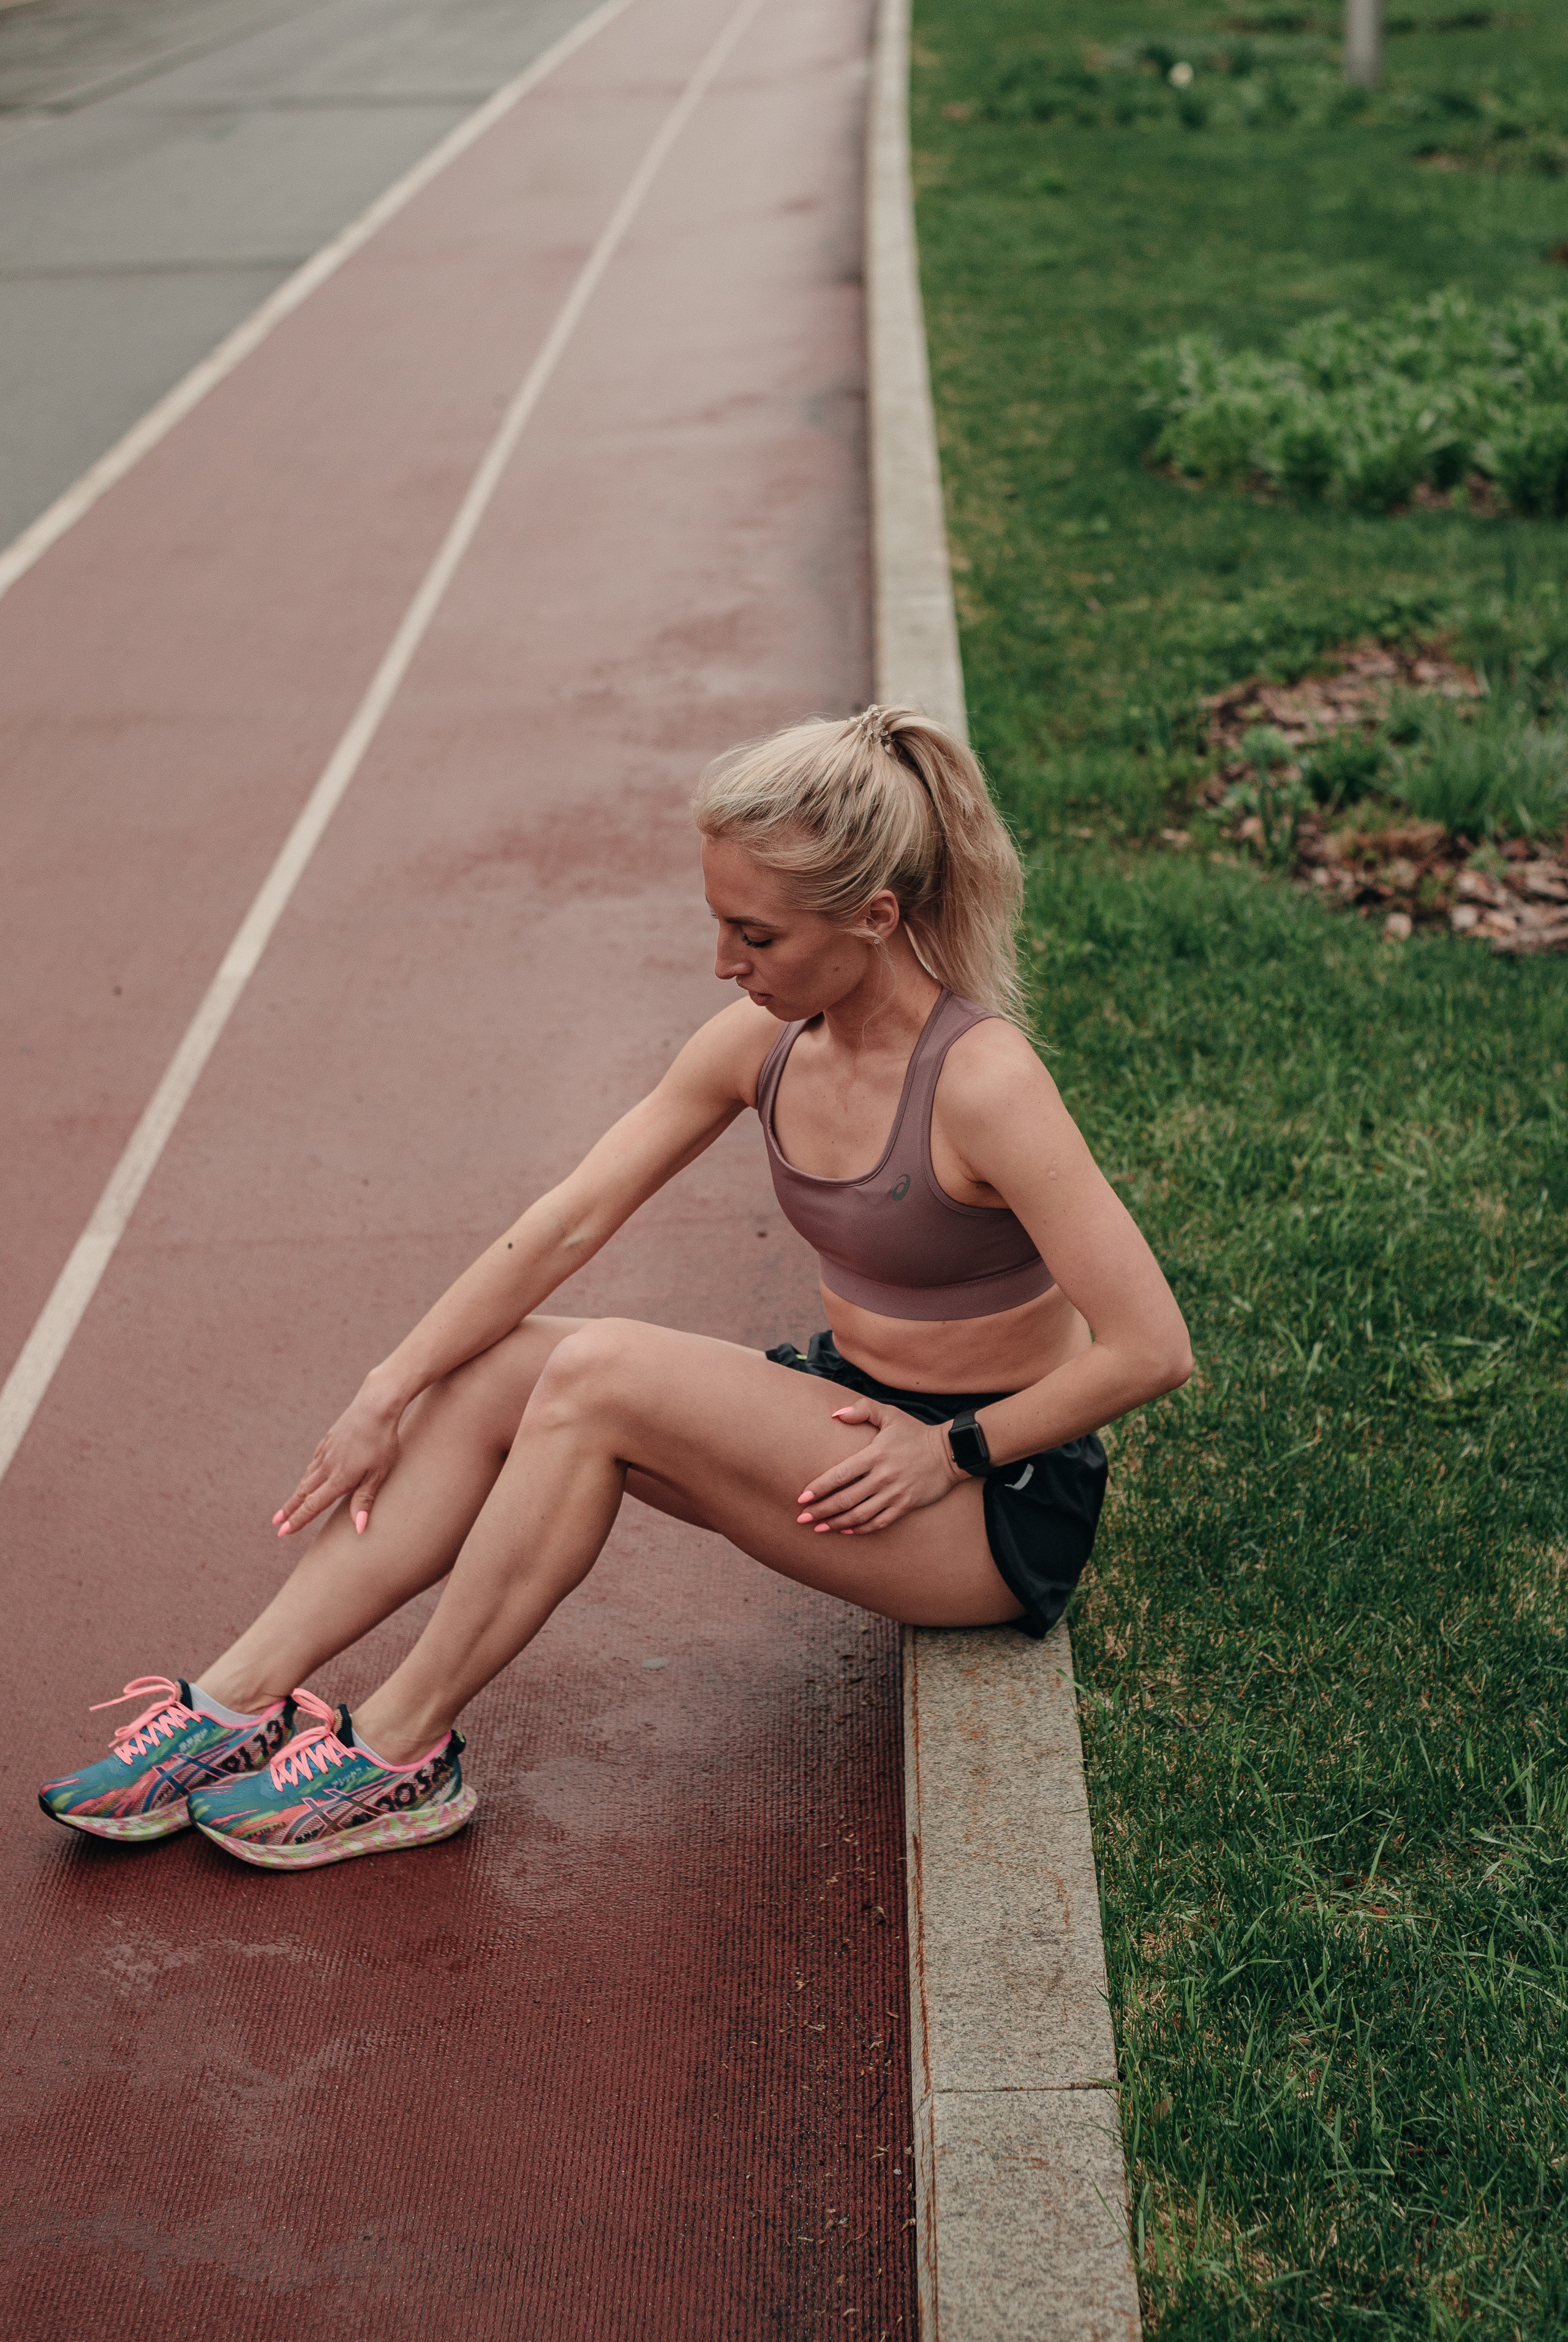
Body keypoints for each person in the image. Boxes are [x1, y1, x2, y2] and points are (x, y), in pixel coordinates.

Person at [40, 706, 1191, 1870]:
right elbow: (569, 1220)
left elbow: (1149, 1346)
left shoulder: (984, 1081)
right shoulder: (765, 1045)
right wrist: (389, 1387)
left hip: (991, 1497)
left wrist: (949, 1453)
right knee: (500, 1365)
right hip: (847, 1416)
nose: (725, 963)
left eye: (757, 935)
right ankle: (236, 1703)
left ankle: (399, 1756)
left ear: (874, 917)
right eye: (719, 925)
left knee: (599, 1377)